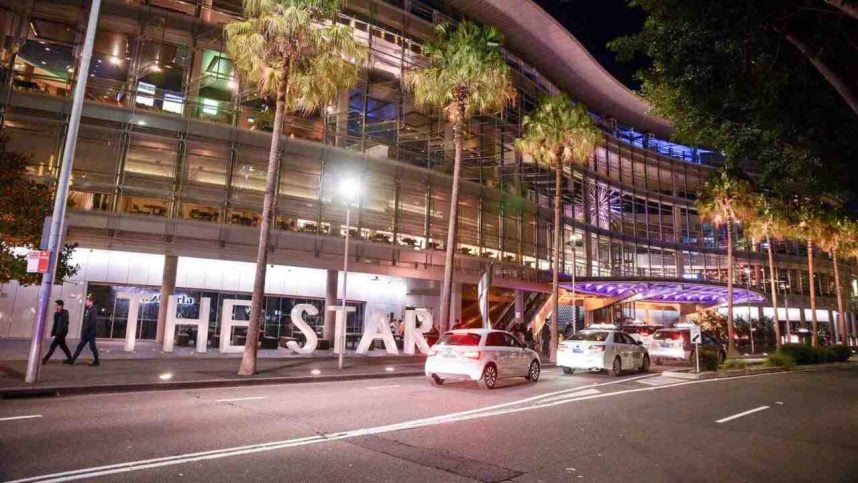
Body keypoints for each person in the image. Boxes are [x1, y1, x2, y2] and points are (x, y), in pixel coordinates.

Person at [66, 294, 100, 366]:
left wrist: (87, 329)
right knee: (80, 346)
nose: (86, 302)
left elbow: (92, 321)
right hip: (86, 332)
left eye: (87, 301)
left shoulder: (93, 310)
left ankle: (97, 361)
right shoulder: (88, 310)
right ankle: (72, 360)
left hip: (90, 332)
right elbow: (86, 321)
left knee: (92, 347)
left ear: (91, 302)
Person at [42, 300, 72, 364]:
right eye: (55, 305)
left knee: (53, 346)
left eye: (56, 305)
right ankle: (70, 359)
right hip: (57, 333)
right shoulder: (56, 314)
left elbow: (66, 323)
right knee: (63, 346)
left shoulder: (65, 313)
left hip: (62, 333)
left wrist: (61, 332)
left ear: (60, 306)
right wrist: (53, 333)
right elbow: (55, 324)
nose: (55, 306)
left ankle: (45, 360)